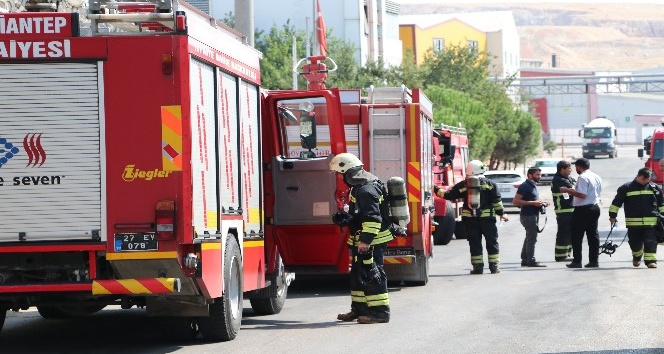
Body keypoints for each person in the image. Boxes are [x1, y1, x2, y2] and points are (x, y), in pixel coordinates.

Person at [329, 153, 392, 324]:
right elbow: (361, 215)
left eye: (340, 174)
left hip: (372, 241)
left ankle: (380, 313)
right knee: (358, 275)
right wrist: (348, 219)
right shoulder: (359, 187)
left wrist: (365, 241)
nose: (340, 178)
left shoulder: (366, 190)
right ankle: (359, 310)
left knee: (372, 275)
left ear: (348, 173)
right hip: (362, 239)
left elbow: (373, 218)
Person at [434, 160, 508, 274]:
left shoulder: (465, 184)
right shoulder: (490, 184)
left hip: (471, 220)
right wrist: (502, 214)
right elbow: (497, 202)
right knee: (492, 242)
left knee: (475, 243)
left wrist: (435, 188)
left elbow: (448, 195)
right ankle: (494, 267)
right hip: (488, 220)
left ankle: (478, 267)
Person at [608, 168, 664, 268]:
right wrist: (612, 215)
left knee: (650, 241)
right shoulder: (626, 188)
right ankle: (637, 256)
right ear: (637, 176)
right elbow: (616, 203)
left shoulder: (654, 188)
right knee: (635, 243)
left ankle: (651, 261)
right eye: (643, 179)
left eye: (647, 179)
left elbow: (661, 204)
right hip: (633, 223)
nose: (645, 181)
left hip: (651, 222)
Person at [560, 158, 603, 268]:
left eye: (576, 167)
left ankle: (577, 261)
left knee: (577, 236)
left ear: (579, 166)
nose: (575, 169)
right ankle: (594, 261)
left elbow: (582, 195)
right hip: (594, 207)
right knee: (593, 235)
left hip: (583, 209)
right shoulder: (596, 176)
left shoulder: (583, 177)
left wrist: (567, 190)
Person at [513, 167, 550, 267]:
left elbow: (532, 200)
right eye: (537, 175)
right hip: (528, 216)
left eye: (540, 175)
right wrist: (534, 203)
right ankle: (531, 261)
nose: (539, 177)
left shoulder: (533, 185)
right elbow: (515, 201)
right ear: (530, 175)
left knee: (529, 237)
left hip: (532, 215)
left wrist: (542, 203)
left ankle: (525, 259)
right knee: (532, 238)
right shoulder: (525, 186)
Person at [551, 160, 576, 261]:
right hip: (563, 210)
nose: (571, 170)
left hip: (569, 209)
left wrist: (574, 184)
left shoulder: (567, 178)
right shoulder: (558, 179)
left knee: (570, 232)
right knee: (564, 233)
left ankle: (567, 254)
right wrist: (574, 186)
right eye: (569, 168)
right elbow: (574, 188)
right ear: (562, 169)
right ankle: (560, 255)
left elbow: (575, 183)